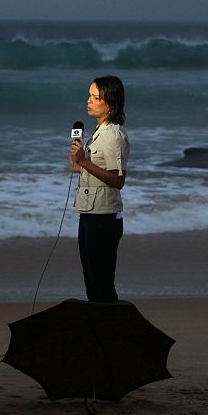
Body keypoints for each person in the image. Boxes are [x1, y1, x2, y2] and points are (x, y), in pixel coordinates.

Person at [69, 75, 130, 302]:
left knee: (102, 285)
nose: (89, 101)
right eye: (89, 95)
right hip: (89, 213)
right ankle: (101, 331)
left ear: (111, 104)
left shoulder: (113, 135)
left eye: (95, 97)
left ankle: (112, 331)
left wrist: (84, 162)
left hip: (104, 218)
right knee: (92, 285)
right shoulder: (98, 133)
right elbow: (90, 171)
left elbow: (118, 180)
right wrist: (78, 162)